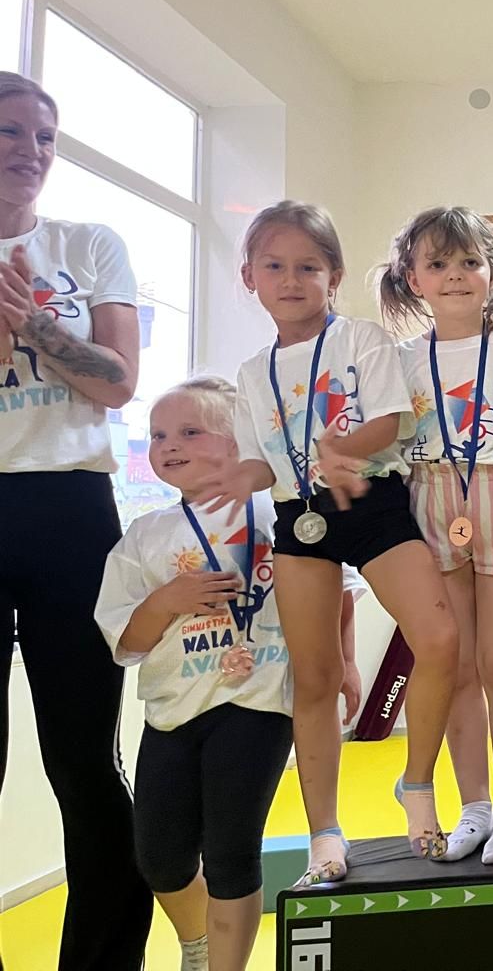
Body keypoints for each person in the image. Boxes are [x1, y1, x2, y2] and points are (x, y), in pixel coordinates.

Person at [195, 200, 459, 883]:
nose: (291, 280)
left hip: (371, 503)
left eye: (308, 267)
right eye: (274, 267)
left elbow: (391, 420)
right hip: (301, 518)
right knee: (313, 679)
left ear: (333, 275)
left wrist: (341, 449)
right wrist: (239, 477)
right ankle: (325, 835)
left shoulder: (359, 339)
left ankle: (417, 781)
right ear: (249, 276)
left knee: (438, 639)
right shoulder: (252, 372)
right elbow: (264, 463)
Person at [94, 376, 355, 971]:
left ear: (239, 439)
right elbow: (126, 642)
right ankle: (199, 942)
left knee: (232, 852)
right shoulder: (146, 535)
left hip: (259, 702)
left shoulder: (278, 513)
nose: (169, 445)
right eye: (158, 435)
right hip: (173, 710)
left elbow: (337, 591)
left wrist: (342, 664)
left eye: (190, 431)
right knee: (159, 858)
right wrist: (168, 600)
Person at [0, 70, 153, 968]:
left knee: (84, 761)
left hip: (69, 507)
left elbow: (119, 381)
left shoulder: (88, 244)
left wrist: (35, 329)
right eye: (12, 131)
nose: (32, 151)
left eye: (45, 136)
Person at [380, 206, 493, 865]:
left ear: (492, 274)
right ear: (414, 279)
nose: (454, 275)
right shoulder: (399, 360)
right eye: (438, 264)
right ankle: (473, 806)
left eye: (469, 262)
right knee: (453, 665)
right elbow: (385, 439)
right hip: (430, 498)